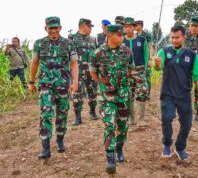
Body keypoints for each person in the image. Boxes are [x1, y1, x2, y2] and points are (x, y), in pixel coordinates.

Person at [29, 16, 79, 159]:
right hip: (45, 85)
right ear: (45, 28)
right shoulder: (39, 44)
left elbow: (74, 64)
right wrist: (31, 82)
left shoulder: (68, 44)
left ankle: (60, 140)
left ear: (60, 28)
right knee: (46, 113)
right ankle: (45, 147)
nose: (53, 30)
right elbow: (34, 63)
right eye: (50, 28)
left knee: (62, 113)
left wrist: (75, 82)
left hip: (63, 85)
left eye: (56, 27)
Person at [154, 25, 198, 161]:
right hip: (168, 94)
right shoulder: (163, 52)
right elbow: (158, 67)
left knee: (187, 123)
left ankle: (180, 147)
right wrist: (157, 64)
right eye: (172, 37)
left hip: (184, 95)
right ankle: (167, 145)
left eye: (177, 37)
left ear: (184, 38)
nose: (174, 40)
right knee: (167, 119)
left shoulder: (192, 56)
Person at [89, 24, 134, 174]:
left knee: (122, 126)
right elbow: (93, 73)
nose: (122, 37)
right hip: (106, 97)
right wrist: (104, 85)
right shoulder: (97, 53)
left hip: (123, 95)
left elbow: (130, 70)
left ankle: (119, 148)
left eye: (123, 35)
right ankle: (110, 158)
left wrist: (121, 84)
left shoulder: (127, 52)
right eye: (119, 35)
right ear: (110, 35)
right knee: (109, 126)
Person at [69, 18, 98, 125]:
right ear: (83, 26)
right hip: (78, 72)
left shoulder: (92, 39)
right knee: (77, 94)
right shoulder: (72, 38)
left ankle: (93, 112)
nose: (91, 29)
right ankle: (78, 117)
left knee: (93, 92)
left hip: (91, 71)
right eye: (89, 26)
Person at [123, 17, 149, 126]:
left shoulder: (141, 40)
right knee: (128, 95)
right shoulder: (121, 40)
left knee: (142, 93)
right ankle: (131, 119)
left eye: (130, 26)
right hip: (126, 72)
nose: (128, 29)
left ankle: (141, 119)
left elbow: (146, 55)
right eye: (126, 27)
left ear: (134, 27)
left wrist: (145, 68)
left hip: (139, 71)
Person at [135, 20, 154, 100]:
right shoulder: (135, 35)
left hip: (145, 59)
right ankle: (138, 93)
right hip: (137, 60)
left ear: (141, 25)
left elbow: (150, 47)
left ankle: (148, 94)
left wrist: (150, 59)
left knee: (147, 76)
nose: (135, 26)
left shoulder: (146, 35)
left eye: (136, 25)